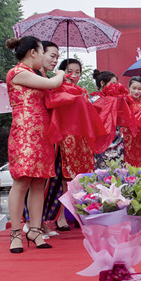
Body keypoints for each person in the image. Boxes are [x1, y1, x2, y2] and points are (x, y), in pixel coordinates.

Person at [4, 36, 64, 253]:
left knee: (39, 183)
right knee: (21, 182)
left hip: (42, 135)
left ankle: (35, 230)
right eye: (42, 52)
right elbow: (53, 84)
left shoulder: (35, 75)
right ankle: (15, 234)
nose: (43, 57)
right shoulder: (18, 72)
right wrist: (61, 73)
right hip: (25, 134)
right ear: (32, 53)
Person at [54, 58, 94, 230]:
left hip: (82, 140)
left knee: (82, 178)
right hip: (64, 138)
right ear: (62, 71)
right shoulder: (56, 89)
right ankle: (61, 217)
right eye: (70, 71)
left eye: (77, 72)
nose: (73, 75)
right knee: (65, 179)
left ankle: (81, 213)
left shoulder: (83, 92)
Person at [90, 70, 123, 169]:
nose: (115, 86)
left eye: (116, 84)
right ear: (102, 83)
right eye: (113, 83)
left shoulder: (116, 99)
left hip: (116, 140)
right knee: (102, 172)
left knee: (118, 171)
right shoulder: (93, 100)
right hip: (101, 140)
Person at [123, 76, 141, 169]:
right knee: (126, 163)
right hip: (127, 137)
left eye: (139, 89)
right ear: (129, 87)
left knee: (140, 162)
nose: (136, 91)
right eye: (134, 88)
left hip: (140, 138)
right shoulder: (124, 100)